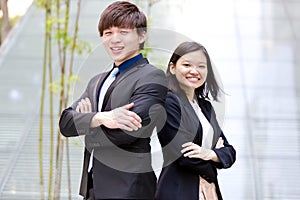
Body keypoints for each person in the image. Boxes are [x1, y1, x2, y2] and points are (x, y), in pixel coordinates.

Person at [59, 1, 167, 199]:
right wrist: (101, 118)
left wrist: (85, 124)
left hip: (129, 189)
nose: (114, 39)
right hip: (92, 187)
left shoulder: (152, 76)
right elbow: (66, 123)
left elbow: (128, 132)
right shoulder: (97, 81)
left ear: (142, 35)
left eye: (123, 32)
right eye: (108, 33)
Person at [155, 41, 236, 200]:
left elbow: (229, 151)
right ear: (172, 68)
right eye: (187, 65)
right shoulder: (168, 103)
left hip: (209, 192)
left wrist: (208, 153)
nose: (194, 71)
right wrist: (214, 166)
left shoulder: (205, 106)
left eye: (201, 66)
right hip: (179, 191)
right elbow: (183, 155)